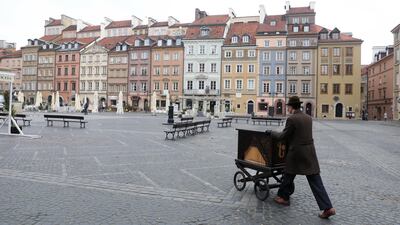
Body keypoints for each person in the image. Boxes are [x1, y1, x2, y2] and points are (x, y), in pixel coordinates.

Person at [268, 96, 336, 219]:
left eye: (288, 106)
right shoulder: (308, 118)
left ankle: (283, 197)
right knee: (315, 181)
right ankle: (328, 208)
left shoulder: (292, 119)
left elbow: (283, 136)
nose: (287, 108)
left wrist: (271, 133)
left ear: (291, 107)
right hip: (309, 153)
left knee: (288, 174)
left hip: (296, 154)